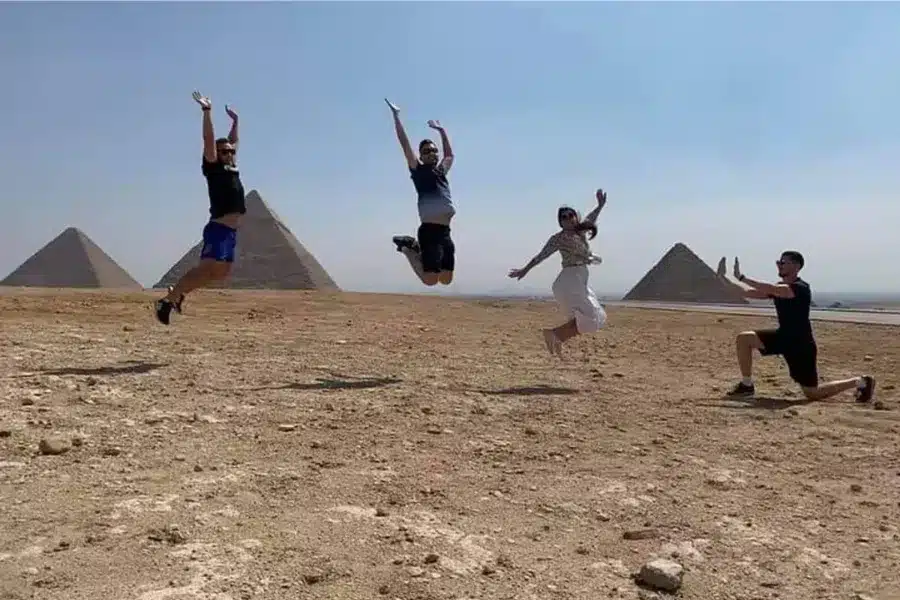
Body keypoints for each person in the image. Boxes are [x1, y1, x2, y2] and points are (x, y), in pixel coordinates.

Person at [720, 252, 875, 402]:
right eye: (778, 263)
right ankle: (747, 385)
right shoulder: (781, 288)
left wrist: (741, 277)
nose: (779, 266)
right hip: (783, 337)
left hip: (801, 345)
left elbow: (771, 289)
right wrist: (722, 279)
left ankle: (860, 381)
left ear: (796, 266)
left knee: (812, 393)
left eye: (782, 263)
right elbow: (747, 293)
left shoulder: (799, 288)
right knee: (744, 339)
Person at [155, 91, 245, 325]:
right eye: (225, 151)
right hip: (219, 227)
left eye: (231, 152)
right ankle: (168, 301)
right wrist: (207, 112)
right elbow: (208, 139)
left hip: (231, 232)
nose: (230, 154)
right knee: (205, 269)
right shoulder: (213, 166)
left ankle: (178, 293)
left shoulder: (231, 166)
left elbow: (234, 141)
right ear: (216, 154)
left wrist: (235, 122)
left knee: (221, 273)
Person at [508, 189, 609, 355]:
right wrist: (524, 270)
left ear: (575, 217)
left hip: (578, 279)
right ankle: (555, 335)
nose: (568, 220)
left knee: (590, 318)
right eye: (564, 218)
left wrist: (600, 205)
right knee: (591, 318)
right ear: (560, 222)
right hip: (570, 280)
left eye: (570, 216)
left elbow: (592, 217)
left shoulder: (581, 231)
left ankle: (555, 335)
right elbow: (541, 256)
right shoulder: (558, 239)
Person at [385, 98, 456, 287]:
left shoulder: (441, 172)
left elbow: (449, 155)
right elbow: (404, 143)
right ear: (421, 155)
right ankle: (409, 248)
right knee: (430, 281)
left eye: (433, 150)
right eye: (426, 151)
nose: (431, 153)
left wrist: (442, 131)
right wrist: (396, 116)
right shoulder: (418, 171)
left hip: (445, 232)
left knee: (446, 280)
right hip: (430, 232)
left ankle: (415, 248)